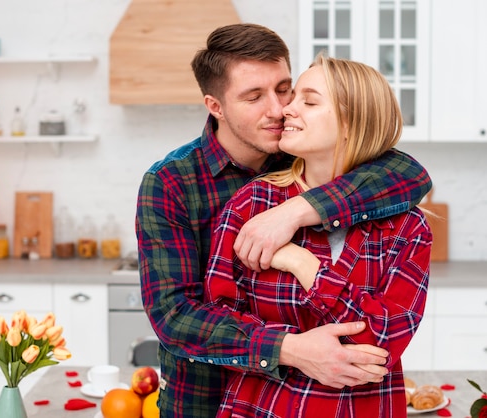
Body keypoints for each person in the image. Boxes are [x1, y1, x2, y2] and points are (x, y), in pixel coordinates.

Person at [135, 23, 432, 417]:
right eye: (254, 97)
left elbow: (410, 175)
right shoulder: (173, 181)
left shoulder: (299, 151)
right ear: (216, 106)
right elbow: (174, 317)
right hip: (209, 398)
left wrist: (296, 212)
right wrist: (292, 349)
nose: (279, 110)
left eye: (284, 89)